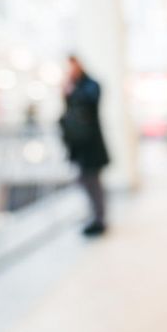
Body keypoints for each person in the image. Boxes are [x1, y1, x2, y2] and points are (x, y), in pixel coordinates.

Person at [59, 54, 110, 236]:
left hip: (91, 145)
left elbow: (90, 103)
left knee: (93, 182)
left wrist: (72, 92)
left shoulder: (90, 85)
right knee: (85, 181)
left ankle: (99, 219)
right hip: (78, 145)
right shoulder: (71, 86)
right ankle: (94, 215)